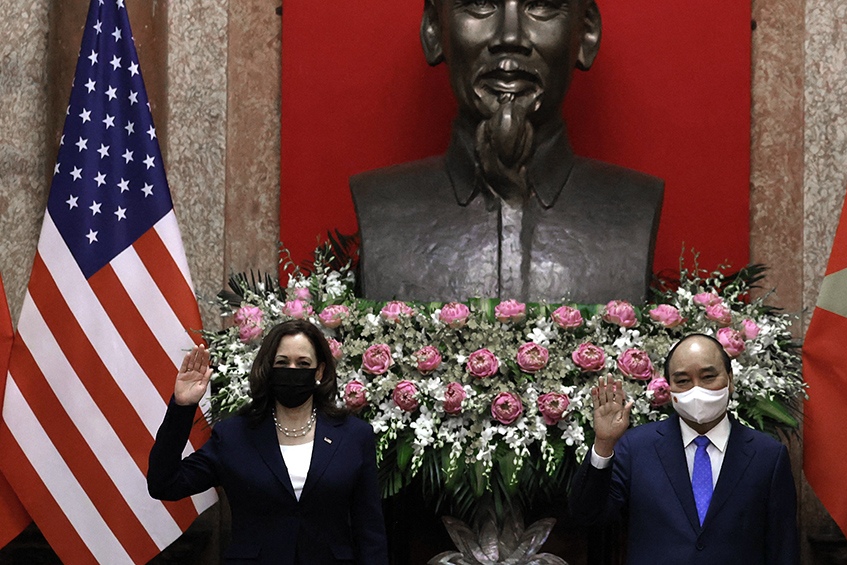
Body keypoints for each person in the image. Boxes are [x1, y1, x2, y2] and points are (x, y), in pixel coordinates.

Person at [350, 0, 664, 304]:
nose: (510, 37)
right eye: (480, 3)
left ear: (586, 32)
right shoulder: (382, 206)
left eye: (542, 4)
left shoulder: (634, 207)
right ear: (433, 28)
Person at [147, 319, 388, 564]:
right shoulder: (234, 435)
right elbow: (164, 483)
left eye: (303, 363)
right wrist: (183, 407)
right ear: (269, 368)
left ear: (319, 371)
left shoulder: (353, 436)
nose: (292, 369)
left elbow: (369, 529)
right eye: (282, 362)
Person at [568, 333, 799, 564]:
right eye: (683, 381)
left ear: (730, 380)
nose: (696, 390)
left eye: (708, 377)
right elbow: (587, 515)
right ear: (669, 388)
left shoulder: (767, 455)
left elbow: (783, 547)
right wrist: (604, 443)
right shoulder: (637, 447)